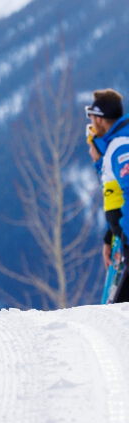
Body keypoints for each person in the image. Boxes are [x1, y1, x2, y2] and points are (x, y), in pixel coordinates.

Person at [87, 88, 129, 302]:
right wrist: (110, 235)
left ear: (100, 119)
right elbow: (115, 192)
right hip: (121, 233)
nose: (91, 124)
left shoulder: (120, 146)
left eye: (92, 117)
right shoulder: (115, 145)